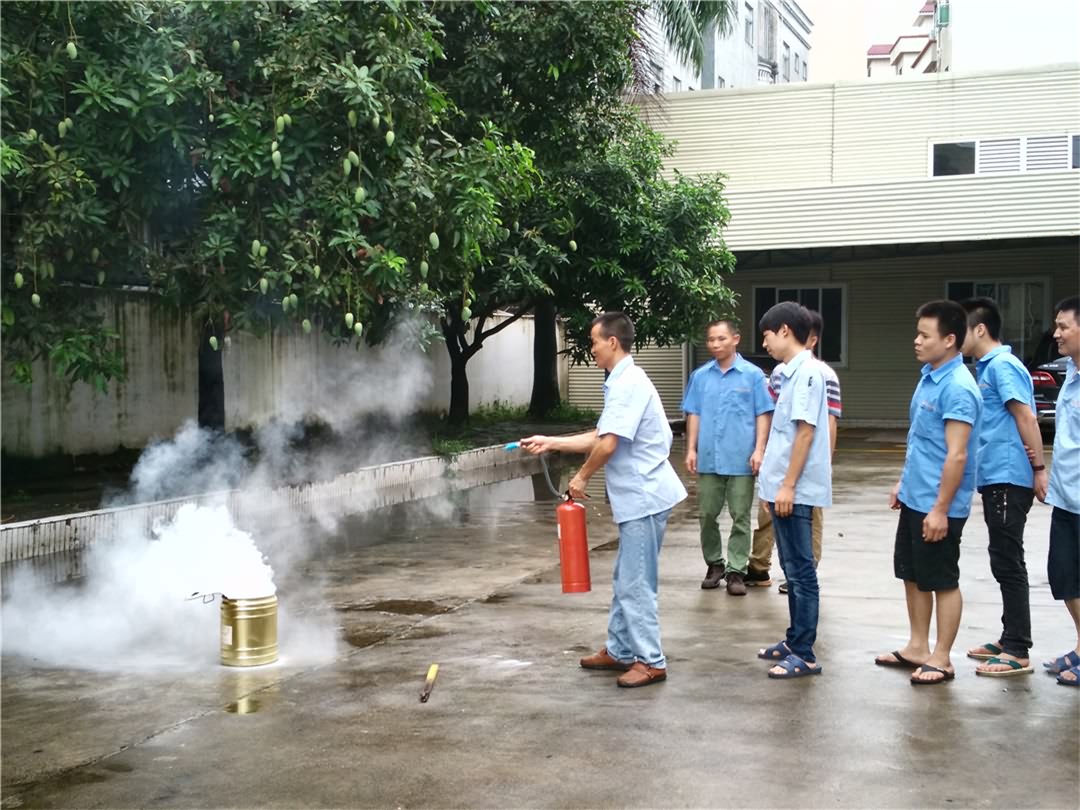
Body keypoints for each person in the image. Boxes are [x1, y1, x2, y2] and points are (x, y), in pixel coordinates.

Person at [520, 312, 686, 689]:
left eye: (594, 341)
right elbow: (602, 435)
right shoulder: (621, 380)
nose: (591, 348)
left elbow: (607, 445)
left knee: (635, 583)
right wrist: (551, 441)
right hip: (639, 497)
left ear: (612, 342)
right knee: (625, 577)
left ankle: (651, 661)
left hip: (644, 497)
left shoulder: (628, 383)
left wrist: (580, 477)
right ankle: (620, 649)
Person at [875, 300, 981, 685]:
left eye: (925, 335)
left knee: (942, 579)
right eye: (917, 333)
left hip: (939, 503)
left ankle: (942, 657)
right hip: (916, 496)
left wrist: (940, 509)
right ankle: (918, 646)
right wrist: (903, 483)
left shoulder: (958, 387)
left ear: (949, 340)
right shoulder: (930, 376)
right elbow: (922, 440)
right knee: (913, 574)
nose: (916, 341)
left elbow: (957, 454)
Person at [959, 297, 1048, 677]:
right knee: (1002, 558)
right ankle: (1009, 635)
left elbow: (1026, 416)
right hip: (996, 476)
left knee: (1009, 561)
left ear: (980, 329)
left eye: (960, 328)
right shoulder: (988, 367)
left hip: (1010, 476)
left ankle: (1018, 648)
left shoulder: (1003, 366)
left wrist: (1039, 469)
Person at [754, 302, 831, 679]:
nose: (764, 343)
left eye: (767, 335)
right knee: (791, 568)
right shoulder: (789, 373)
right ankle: (793, 640)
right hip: (782, 489)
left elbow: (804, 434)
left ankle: (805, 653)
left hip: (795, 491)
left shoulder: (809, 374)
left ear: (785, 330)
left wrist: (786, 486)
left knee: (800, 572)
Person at [747, 309, 842, 592]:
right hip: (779, 470)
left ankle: (805, 571)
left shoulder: (820, 374)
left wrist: (823, 464)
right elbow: (774, 419)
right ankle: (761, 565)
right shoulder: (781, 373)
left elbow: (823, 425)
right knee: (770, 520)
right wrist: (764, 457)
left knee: (807, 531)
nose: (765, 343)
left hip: (801, 472)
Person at [682, 319, 774, 595]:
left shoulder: (753, 375)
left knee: (740, 516)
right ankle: (714, 564)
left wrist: (759, 449)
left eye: (721, 338)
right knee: (707, 514)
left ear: (735, 339)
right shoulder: (700, 376)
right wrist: (691, 448)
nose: (715, 344)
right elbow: (694, 413)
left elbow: (763, 413)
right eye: (711, 339)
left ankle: (736, 570)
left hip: (741, 459)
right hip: (709, 458)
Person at [1042, 296, 1080, 687]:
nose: (1056, 333)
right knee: (1065, 577)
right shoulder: (1071, 370)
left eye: (1064, 326)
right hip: (1067, 496)